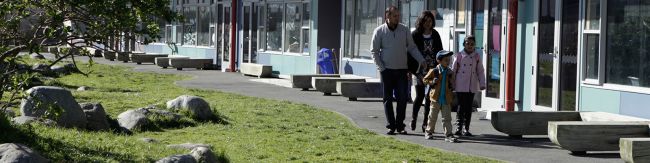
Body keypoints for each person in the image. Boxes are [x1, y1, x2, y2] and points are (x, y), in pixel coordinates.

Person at [371, 6, 426, 135]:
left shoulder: (404, 30)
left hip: (402, 70)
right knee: (388, 99)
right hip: (386, 71)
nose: (397, 18)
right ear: (387, 16)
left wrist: (421, 60)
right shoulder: (379, 31)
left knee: (402, 98)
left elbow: (412, 47)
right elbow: (374, 52)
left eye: (398, 15)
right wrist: (382, 68)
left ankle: (400, 125)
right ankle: (391, 125)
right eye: (395, 16)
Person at [409, 11, 443, 133]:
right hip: (419, 70)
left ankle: (425, 123)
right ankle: (414, 118)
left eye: (430, 21)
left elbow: (440, 52)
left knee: (429, 97)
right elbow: (410, 53)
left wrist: (440, 67)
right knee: (419, 96)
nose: (428, 24)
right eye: (425, 21)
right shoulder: (415, 35)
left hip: (432, 70)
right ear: (421, 21)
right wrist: (412, 70)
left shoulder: (435, 34)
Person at [451, 35, 486, 137]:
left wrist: (482, 83)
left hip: (471, 85)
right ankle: (458, 127)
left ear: (474, 45)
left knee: (468, 107)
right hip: (461, 85)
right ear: (464, 44)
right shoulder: (458, 55)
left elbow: (480, 71)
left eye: (472, 44)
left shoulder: (476, 56)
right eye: (468, 43)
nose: (470, 46)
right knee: (461, 106)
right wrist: (452, 84)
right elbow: (453, 70)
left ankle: (466, 128)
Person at [423, 50, 456, 142]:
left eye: (449, 60)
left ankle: (448, 134)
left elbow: (453, 83)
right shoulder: (434, 71)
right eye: (446, 60)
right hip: (435, 98)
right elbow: (425, 80)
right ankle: (429, 132)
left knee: (447, 118)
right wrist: (432, 81)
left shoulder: (450, 72)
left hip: (446, 99)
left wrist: (452, 84)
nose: (448, 62)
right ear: (439, 61)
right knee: (432, 117)